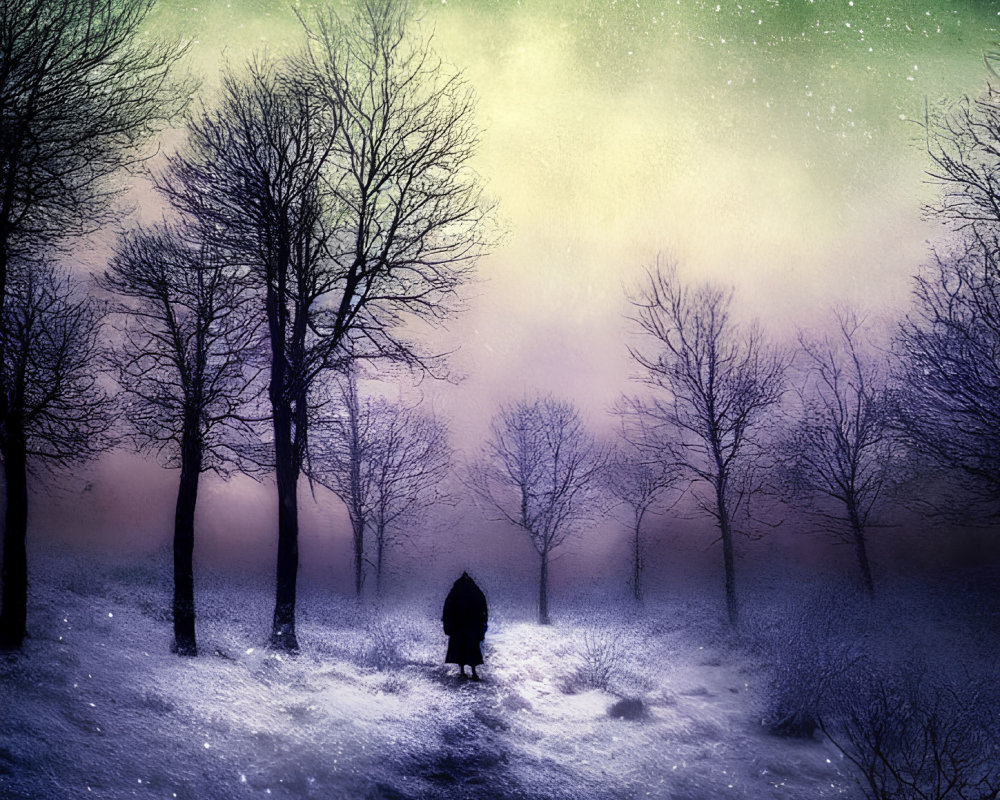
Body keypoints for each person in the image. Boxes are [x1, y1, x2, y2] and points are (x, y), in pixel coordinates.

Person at [442, 571, 488, 681]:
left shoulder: (454, 592)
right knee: (472, 648)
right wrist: (482, 626)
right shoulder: (476, 592)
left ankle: (462, 671)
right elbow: (483, 610)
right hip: (472, 625)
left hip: (458, 625)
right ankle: (474, 672)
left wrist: (447, 626)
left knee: (460, 648)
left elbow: (447, 610)